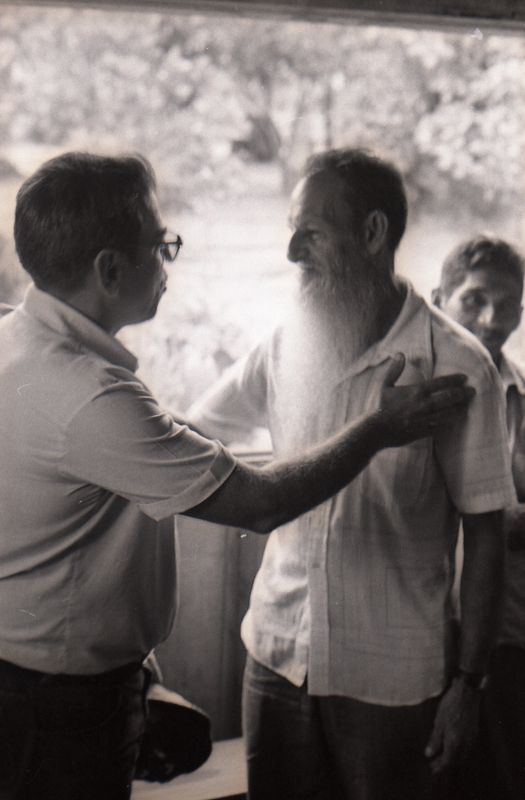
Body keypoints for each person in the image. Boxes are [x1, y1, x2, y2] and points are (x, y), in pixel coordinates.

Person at [0, 152, 472, 800]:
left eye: (307, 233)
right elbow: (257, 502)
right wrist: (376, 429)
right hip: (59, 706)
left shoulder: (16, 340)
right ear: (110, 271)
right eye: (161, 245)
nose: (169, 259)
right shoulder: (92, 398)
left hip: (60, 682)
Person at [188, 148, 517, 800]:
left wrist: (467, 687)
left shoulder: (457, 364)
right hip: (275, 657)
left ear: (371, 234)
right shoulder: (284, 342)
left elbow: (484, 534)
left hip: (393, 680)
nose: (290, 252)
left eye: (309, 232)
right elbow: (195, 433)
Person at [433, 235, 525, 800]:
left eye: (509, 304)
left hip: (505, 637)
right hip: (420, 632)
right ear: (440, 297)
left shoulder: (520, 398)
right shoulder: (413, 394)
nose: (492, 320)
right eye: (474, 300)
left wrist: (504, 518)